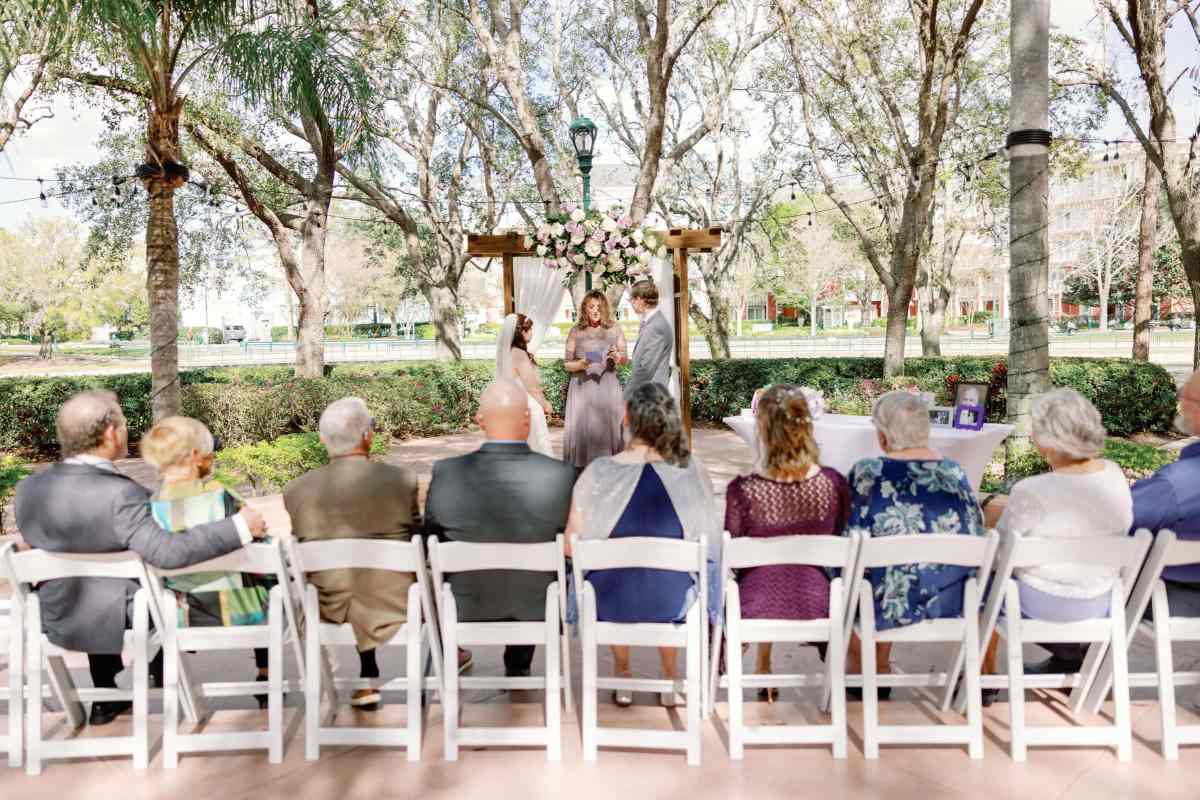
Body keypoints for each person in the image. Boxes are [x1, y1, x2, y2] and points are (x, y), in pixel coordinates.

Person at [14, 390, 267, 726]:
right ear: (110, 434)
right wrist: (238, 527)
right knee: (147, 582)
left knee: (95, 574)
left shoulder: (29, 488)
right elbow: (167, 551)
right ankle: (164, 682)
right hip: (125, 615)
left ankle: (106, 692)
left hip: (54, 613)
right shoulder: (120, 493)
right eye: (123, 423)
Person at [565, 382, 718, 707]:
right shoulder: (692, 472)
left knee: (605, 571)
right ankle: (669, 673)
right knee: (681, 575)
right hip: (672, 602)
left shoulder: (599, 473)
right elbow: (710, 544)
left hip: (609, 604)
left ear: (626, 418)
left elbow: (571, 546)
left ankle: (622, 671)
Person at [425, 379, 577, 678]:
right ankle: (518, 664)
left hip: (464, 606)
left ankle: (455, 650)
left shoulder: (447, 473)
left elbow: (430, 539)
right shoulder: (560, 475)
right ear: (528, 419)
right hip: (537, 609)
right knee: (536, 565)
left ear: (479, 420)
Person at [284, 397, 425, 711]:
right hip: (395, 603)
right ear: (368, 436)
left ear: (322, 439)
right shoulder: (401, 480)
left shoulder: (295, 490)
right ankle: (449, 656)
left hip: (327, 604)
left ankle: (366, 676)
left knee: (347, 578)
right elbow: (417, 536)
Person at [844, 390, 984, 697]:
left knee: (855, 573)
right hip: (949, 598)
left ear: (882, 437)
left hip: (886, 601)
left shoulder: (869, 473)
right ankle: (878, 668)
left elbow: (847, 537)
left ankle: (862, 669)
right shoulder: (954, 473)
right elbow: (977, 532)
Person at [983, 388, 1132, 675]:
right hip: (1102, 603)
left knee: (979, 583)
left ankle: (980, 679)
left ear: (1048, 442)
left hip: (1042, 608)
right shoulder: (1114, 474)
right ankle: (1069, 660)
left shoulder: (1032, 490)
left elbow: (998, 554)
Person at [724, 385, 852, 695]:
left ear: (763, 429)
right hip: (818, 601)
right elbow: (839, 539)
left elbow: (734, 558)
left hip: (755, 601)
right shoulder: (834, 484)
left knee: (751, 576)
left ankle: (742, 658)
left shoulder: (743, 491)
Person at [141, 416, 273, 709]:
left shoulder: (149, 507)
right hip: (244, 610)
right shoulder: (222, 496)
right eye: (210, 448)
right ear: (195, 456)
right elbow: (262, 542)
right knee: (266, 580)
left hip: (181, 615)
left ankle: (166, 670)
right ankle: (266, 674)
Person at [1127, 371, 1200, 620]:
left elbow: (1117, 518)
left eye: (1185, 398)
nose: (1180, 404)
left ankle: (1072, 655)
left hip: (1181, 599)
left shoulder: (1177, 485)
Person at [563, 290, 628, 469]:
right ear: (585, 308)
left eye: (599, 307)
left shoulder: (615, 329)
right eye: (591, 306)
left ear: (605, 309)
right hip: (582, 387)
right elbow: (567, 364)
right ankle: (581, 475)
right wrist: (583, 363)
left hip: (607, 386)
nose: (595, 311)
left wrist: (617, 357)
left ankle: (612, 473)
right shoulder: (576, 331)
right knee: (583, 431)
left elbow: (625, 360)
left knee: (609, 430)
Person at [497, 312, 554, 457]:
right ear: (522, 332)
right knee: (536, 447)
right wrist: (545, 404)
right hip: (527, 406)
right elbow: (532, 387)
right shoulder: (519, 354)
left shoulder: (506, 354)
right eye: (530, 329)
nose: (532, 333)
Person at [624, 280, 673, 402]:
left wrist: (625, 395)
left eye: (632, 300)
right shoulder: (652, 322)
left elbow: (646, 369)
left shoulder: (656, 327)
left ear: (640, 300)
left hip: (651, 396)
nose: (632, 304)